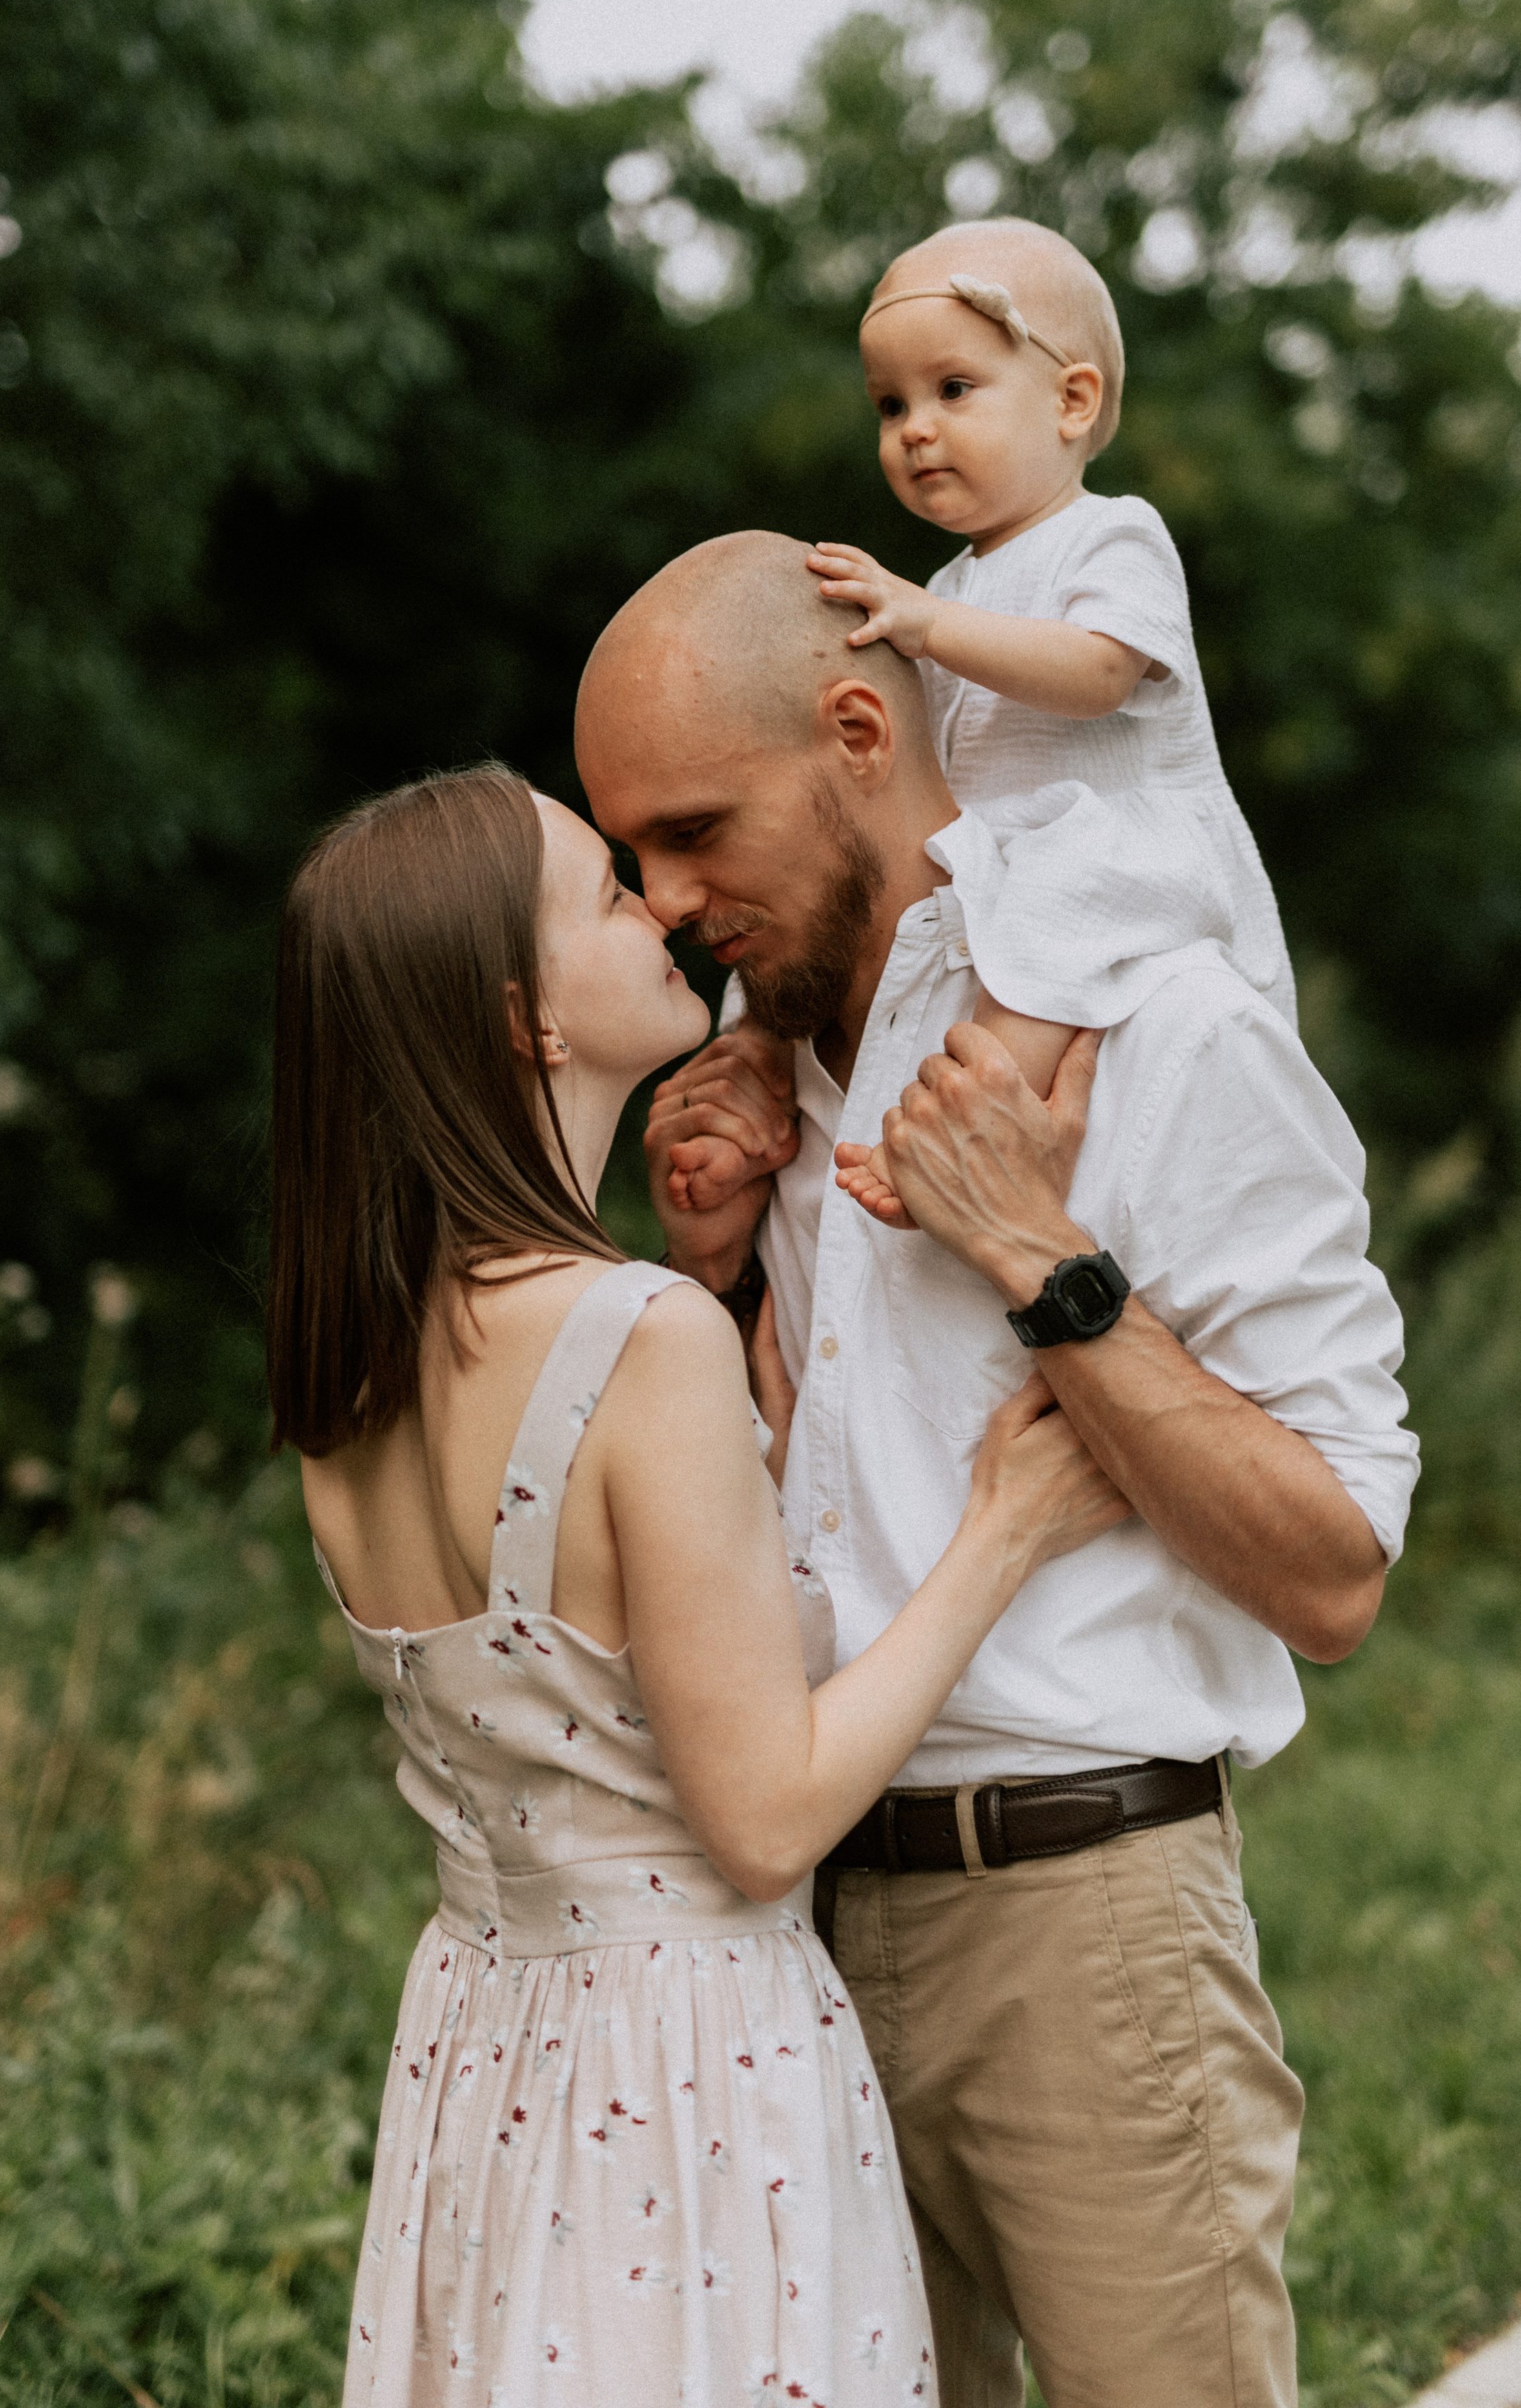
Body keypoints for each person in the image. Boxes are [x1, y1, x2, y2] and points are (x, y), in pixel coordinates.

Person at [575, 534, 1421, 2408]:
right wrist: (714, 1292)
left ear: (859, 729)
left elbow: (1341, 1569)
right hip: (785, 1946)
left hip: (1084, 1930)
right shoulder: (758, 1085)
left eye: (694, 831)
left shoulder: (1161, 1025)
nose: (660, 900)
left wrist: (1043, 1263)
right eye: (626, 853)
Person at [263, 761, 1130, 2407]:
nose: (657, 903)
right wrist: (1003, 1530)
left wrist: (717, 1278)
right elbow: (760, 1817)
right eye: (602, 889)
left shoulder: (355, 1369)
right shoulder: (629, 1344)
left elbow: (585, 1654)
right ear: (526, 1019)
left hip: (487, 2051)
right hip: (684, 2075)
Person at [669, 215, 1294, 1229]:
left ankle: (969, 1130)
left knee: (1044, 939)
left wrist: (926, 624)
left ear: (1071, 401)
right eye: (889, 405)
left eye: (952, 390)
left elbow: (1099, 671)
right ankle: (760, 1061)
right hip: (1005, 858)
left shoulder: (1111, 534)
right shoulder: (951, 586)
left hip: (1115, 846)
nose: (914, 428)